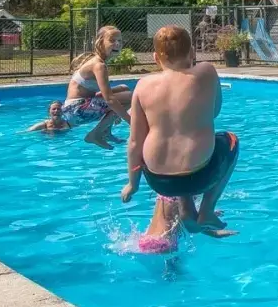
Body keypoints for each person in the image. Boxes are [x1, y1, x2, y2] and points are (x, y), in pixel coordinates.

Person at [120, 25, 238, 248]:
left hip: (158, 181)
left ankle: (187, 213)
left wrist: (132, 184)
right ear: (192, 53)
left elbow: (134, 142)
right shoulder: (207, 71)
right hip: (200, 176)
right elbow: (214, 111)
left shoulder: (143, 86)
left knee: (169, 145)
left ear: (155, 58)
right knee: (230, 140)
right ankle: (207, 211)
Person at [64, 26, 133, 149]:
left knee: (124, 88)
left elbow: (103, 94)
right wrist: (131, 123)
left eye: (120, 41)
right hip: (76, 110)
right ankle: (95, 134)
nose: (117, 44)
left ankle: (106, 132)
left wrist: (117, 111)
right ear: (100, 42)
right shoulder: (99, 65)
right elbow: (109, 99)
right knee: (130, 97)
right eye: (112, 40)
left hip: (74, 108)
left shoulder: (98, 61)